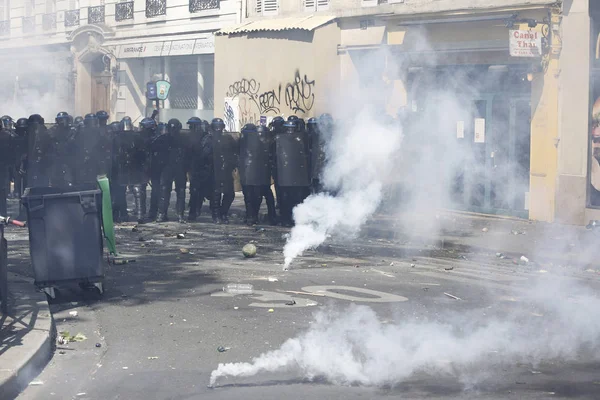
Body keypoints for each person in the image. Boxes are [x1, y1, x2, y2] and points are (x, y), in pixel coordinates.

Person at [274, 121, 310, 227]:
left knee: (290, 200)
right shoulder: (302, 138)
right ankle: (290, 219)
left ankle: (290, 219)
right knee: (291, 200)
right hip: (293, 176)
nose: (290, 130)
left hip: (289, 175)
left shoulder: (301, 139)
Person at [240, 123, 277, 225]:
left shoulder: (268, 144)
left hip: (261, 176)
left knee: (258, 197)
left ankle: (260, 216)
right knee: (250, 197)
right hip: (250, 175)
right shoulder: (243, 143)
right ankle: (251, 216)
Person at [157, 119, 187, 223]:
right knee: (165, 191)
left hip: (178, 168)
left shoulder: (183, 139)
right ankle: (162, 214)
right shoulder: (163, 139)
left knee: (180, 192)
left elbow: (189, 154)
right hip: (168, 168)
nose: (173, 131)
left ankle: (179, 214)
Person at [210, 118, 237, 224]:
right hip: (214, 169)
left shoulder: (228, 138)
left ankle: (223, 213)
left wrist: (232, 163)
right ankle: (216, 215)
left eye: (220, 127)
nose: (218, 129)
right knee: (216, 194)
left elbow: (235, 151)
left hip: (226, 169)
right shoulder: (209, 138)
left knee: (230, 194)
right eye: (216, 127)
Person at [187, 118, 213, 221]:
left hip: (204, 167)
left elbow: (206, 153)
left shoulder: (206, 138)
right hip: (195, 168)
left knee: (204, 191)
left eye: (192, 126)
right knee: (194, 191)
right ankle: (193, 211)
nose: (190, 128)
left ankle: (212, 212)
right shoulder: (190, 138)